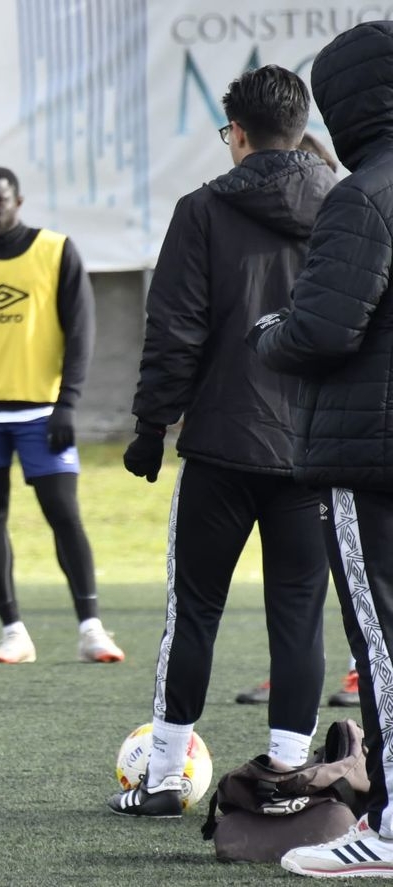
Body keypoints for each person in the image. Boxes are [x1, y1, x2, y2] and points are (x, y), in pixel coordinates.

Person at [108, 65, 337, 818]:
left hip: (223, 443)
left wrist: (151, 425)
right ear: (300, 126)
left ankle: (166, 774)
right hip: (315, 447)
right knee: (299, 611)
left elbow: (176, 329)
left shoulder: (202, 208)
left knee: (195, 607)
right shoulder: (347, 205)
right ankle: (288, 782)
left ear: (236, 133)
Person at [250, 22, 393, 877]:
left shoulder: (363, 193)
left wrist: (272, 331)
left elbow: (325, 330)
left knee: (382, 642)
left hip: (368, 453)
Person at [0, 167, 124, 665]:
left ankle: (91, 629)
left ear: (18, 200)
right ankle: (14, 632)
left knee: (64, 516)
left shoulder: (57, 251)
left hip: (43, 413)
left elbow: (81, 332)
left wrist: (68, 403)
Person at [233, 130, 358, 711]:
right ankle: (293, 676)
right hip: (293, 429)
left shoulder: (356, 222)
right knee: (305, 576)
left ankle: (362, 670)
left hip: (341, 430)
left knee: (356, 566)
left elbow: (330, 333)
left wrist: (269, 335)